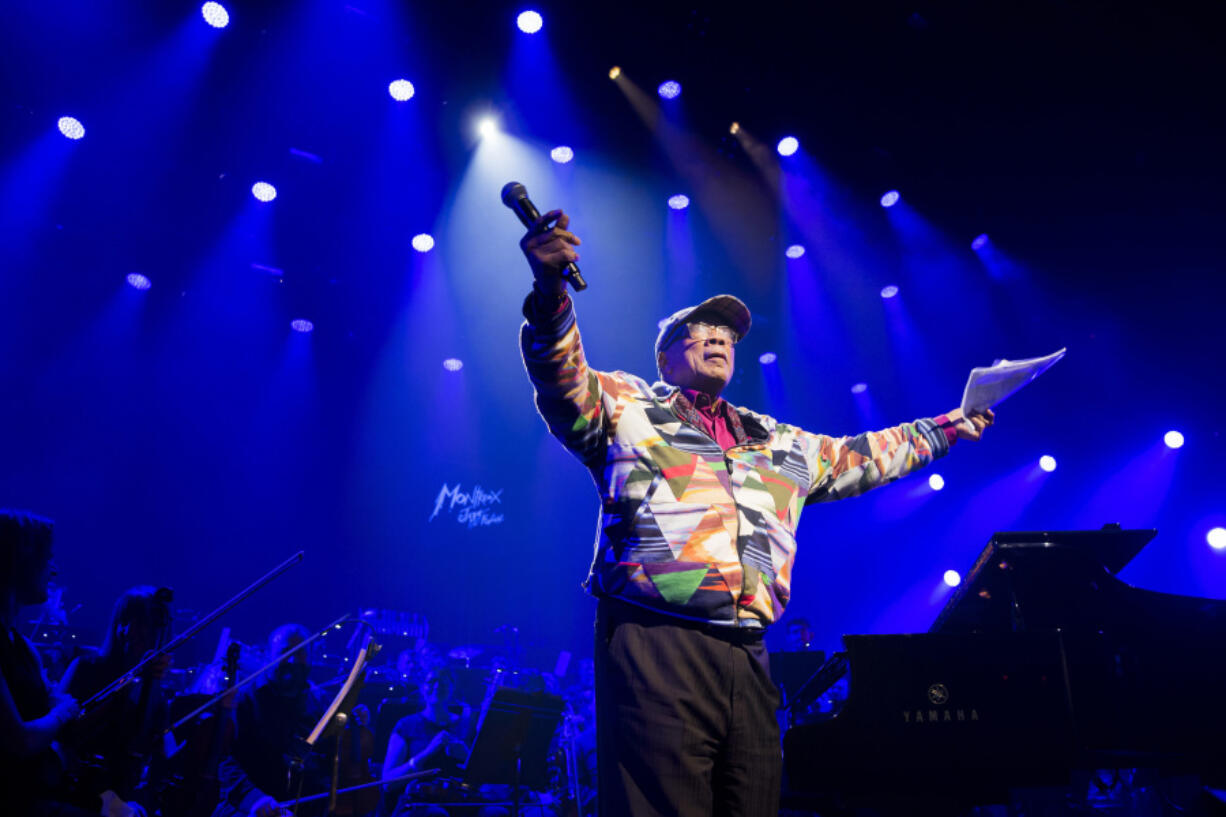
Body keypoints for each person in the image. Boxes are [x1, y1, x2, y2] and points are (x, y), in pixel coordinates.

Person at [517, 211, 994, 817]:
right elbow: (561, 380)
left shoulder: (776, 442)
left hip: (748, 650)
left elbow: (867, 456)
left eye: (727, 333)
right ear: (665, 359)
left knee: (755, 805)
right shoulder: (627, 408)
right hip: (657, 638)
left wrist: (954, 423)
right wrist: (551, 292)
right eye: (699, 329)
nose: (717, 336)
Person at [0, 509, 92, 817]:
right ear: (20, 561)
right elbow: (20, 740)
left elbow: (49, 705)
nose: (53, 570)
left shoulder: (24, 646)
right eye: (46, 558)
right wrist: (63, 712)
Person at [212, 623, 326, 817]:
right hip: (249, 807)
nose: (292, 660)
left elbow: (329, 760)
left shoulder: (320, 702)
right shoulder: (243, 699)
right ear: (268, 655)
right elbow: (223, 759)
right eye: (285, 652)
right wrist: (255, 799)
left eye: (300, 654)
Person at [380, 667, 473, 816]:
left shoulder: (466, 724)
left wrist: (467, 757)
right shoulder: (406, 725)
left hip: (460, 799)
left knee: (495, 812)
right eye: (431, 682)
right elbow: (388, 783)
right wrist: (427, 752)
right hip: (418, 802)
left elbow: (482, 777)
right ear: (422, 687)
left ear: (452, 688)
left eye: (443, 682)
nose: (437, 686)